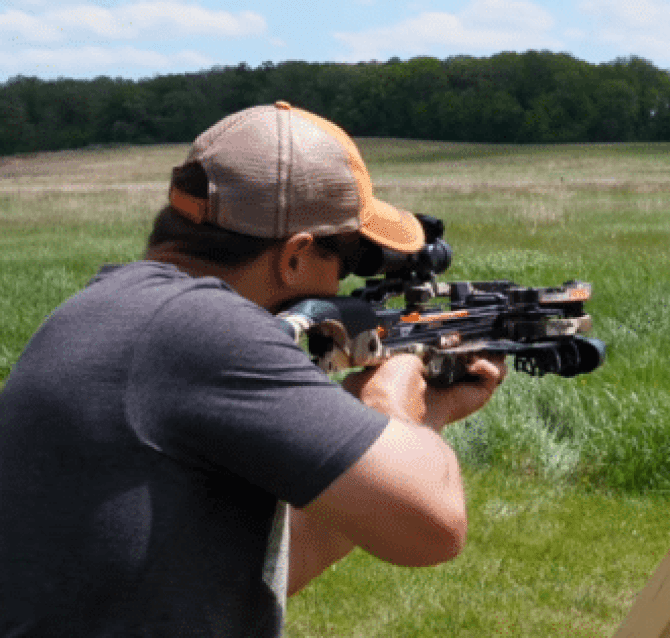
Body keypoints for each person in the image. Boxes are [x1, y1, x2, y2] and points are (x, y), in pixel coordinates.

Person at [0, 102, 506, 636]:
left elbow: (244, 579)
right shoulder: (206, 330)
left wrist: (428, 414)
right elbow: (432, 529)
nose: (344, 287)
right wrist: (390, 397)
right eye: (350, 260)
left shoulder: (112, 311)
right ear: (294, 257)